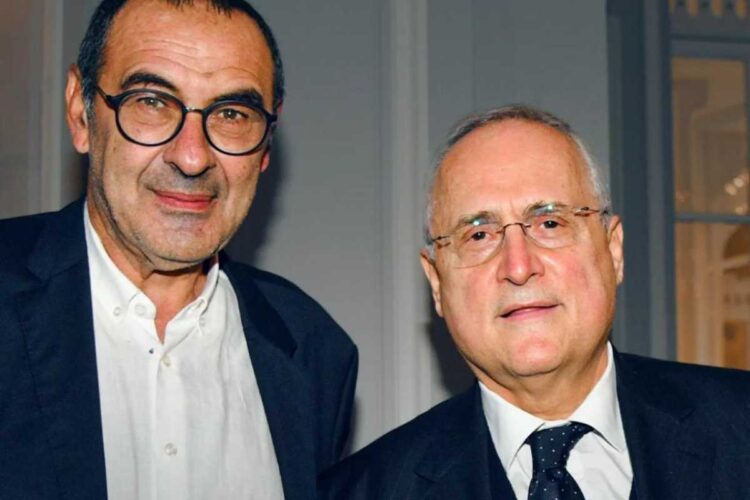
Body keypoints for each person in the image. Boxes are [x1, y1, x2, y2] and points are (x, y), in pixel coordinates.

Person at [0, 1, 357, 498]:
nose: (192, 156)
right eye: (152, 102)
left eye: (232, 114)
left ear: (266, 146)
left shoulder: (314, 350)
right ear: (81, 113)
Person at [320, 105, 750, 499]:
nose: (519, 266)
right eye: (478, 235)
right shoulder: (361, 491)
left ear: (613, 250)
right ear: (436, 282)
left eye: (549, 223)